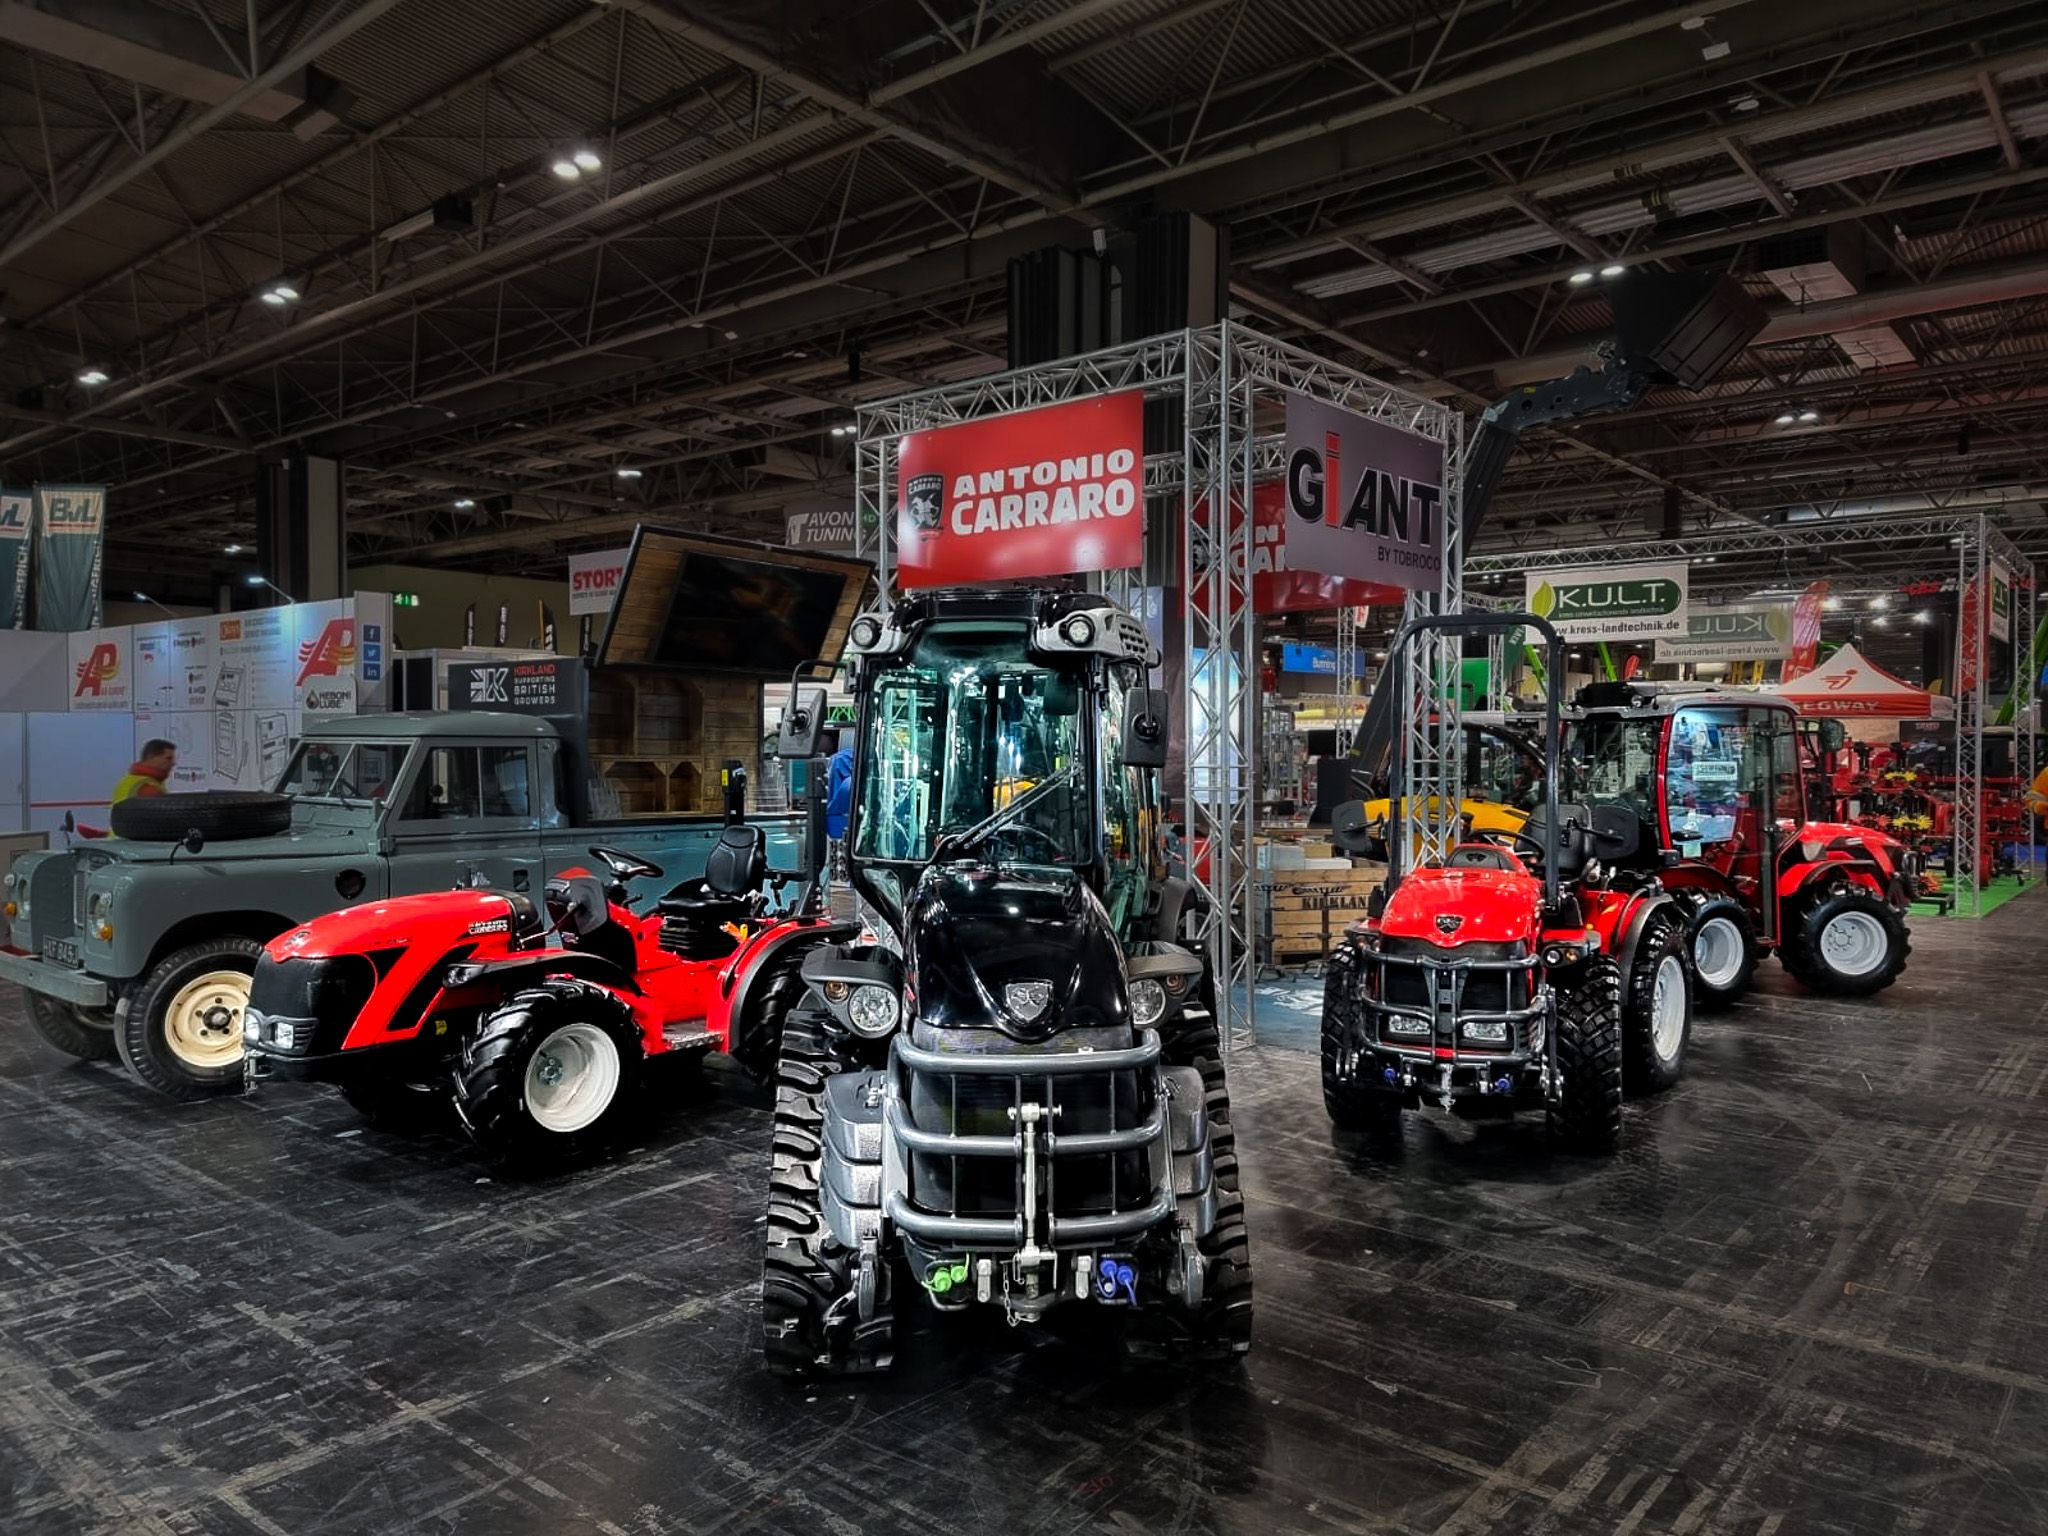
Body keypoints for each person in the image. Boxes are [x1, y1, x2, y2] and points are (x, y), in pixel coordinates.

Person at [114, 739, 177, 805]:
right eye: (168, 758)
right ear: (151, 757)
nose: (173, 763)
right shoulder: (149, 788)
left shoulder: (128, 780)